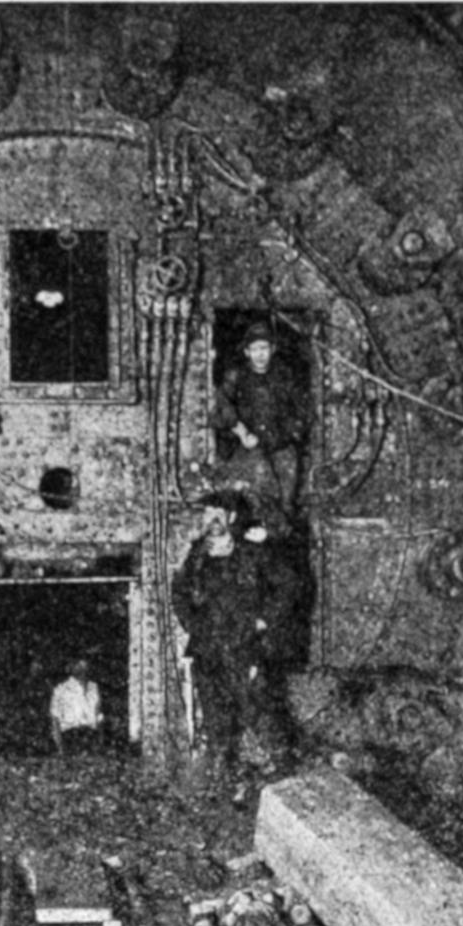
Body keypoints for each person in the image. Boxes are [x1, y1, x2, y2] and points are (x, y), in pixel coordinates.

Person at [172, 492, 307, 802]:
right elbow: (179, 593)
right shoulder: (196, 556)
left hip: (244, 647)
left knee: (257, 711)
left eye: (218, 514)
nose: (212, 521)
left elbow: (289, 585)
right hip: (208, 650)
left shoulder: (252, 553)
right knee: (216, 719)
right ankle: (225, 785)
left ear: (231, 518)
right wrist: (193, 625)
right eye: (207, 514)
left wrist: (264, 620)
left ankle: (284, 783)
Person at [212, 321, 310, 532]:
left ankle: (279, 536)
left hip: (280, 444)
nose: (260, 354)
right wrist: (241, 432)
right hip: (248, 445)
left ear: (272, 349)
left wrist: (286, 434)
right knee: (256, 492)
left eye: (264, 348)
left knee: (287, 498)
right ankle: (258, 531)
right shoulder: (236, 376)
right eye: (255, 349)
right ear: (247, 352)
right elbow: (222, 404)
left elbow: (301, 411)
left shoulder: (285, 376)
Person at [50, 657, 103, 754]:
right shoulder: (61, 689)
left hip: (91, 737)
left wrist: (99, 740)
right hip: (71, 736)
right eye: (78, 663)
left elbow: (98, 713)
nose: (82, 666)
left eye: (84, 663)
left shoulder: (94, 687)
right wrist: (60, 746)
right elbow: (55, 719)